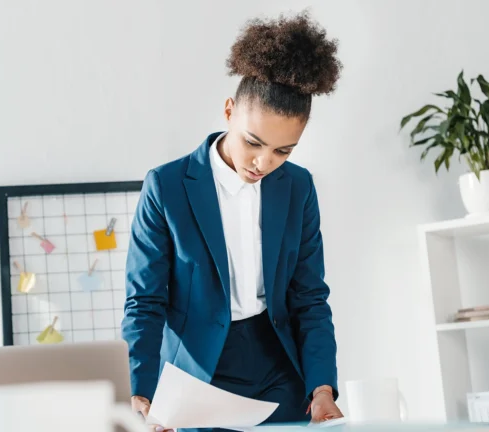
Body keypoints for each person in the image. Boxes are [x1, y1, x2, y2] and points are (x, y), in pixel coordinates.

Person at [121, 11, 344, 432]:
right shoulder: (167, 187)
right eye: (253, 142)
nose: (264, 163)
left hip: (277, 368)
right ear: (228, 111)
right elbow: (144, 301)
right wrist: (142, 391)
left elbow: (310, 297)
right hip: (198, 375)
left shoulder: (298, 187)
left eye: (283, 152)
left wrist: (321, 389)